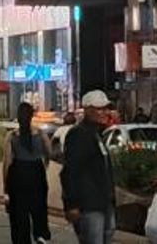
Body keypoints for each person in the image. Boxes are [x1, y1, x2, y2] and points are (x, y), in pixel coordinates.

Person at [61, 90, 116, 244]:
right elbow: (70, 171)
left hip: (104, 202)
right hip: (89, 206)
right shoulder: (78, 134)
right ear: (87, 110)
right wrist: (71, 204)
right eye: (99, 109)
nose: (105, 112)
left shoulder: (97, 134)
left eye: (106, 108)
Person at [3, 102, 52, 244]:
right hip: (37, 172)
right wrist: (45, 164)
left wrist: (5, 186)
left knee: (19, 212)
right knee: (39, 206)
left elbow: (7, 162)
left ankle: (22, 239)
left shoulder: (12, 136)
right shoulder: (41, 134)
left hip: (18, 173)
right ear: (32, 116)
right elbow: (49, 152)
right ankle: (40, 234)